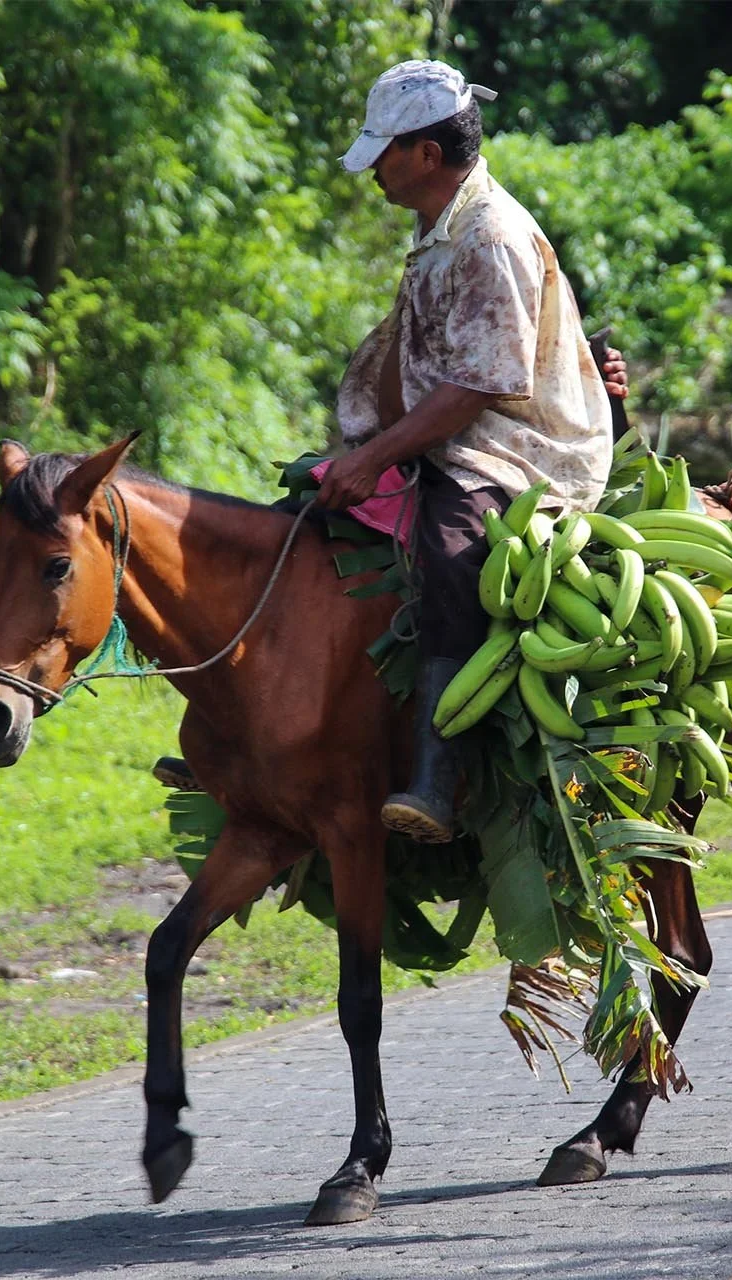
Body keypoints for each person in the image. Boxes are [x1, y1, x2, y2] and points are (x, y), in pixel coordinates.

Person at [156, 60, 628, 844]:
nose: (374, 166)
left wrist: (375, 460)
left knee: (451, 557)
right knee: (289, 531)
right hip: (443, 437)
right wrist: (363, 450)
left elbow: (483, 384)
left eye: (384, 151)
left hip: (517, 450)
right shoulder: (438, 223)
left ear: (427, 156)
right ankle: (233, 741)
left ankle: (437, 779)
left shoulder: (491, 234)